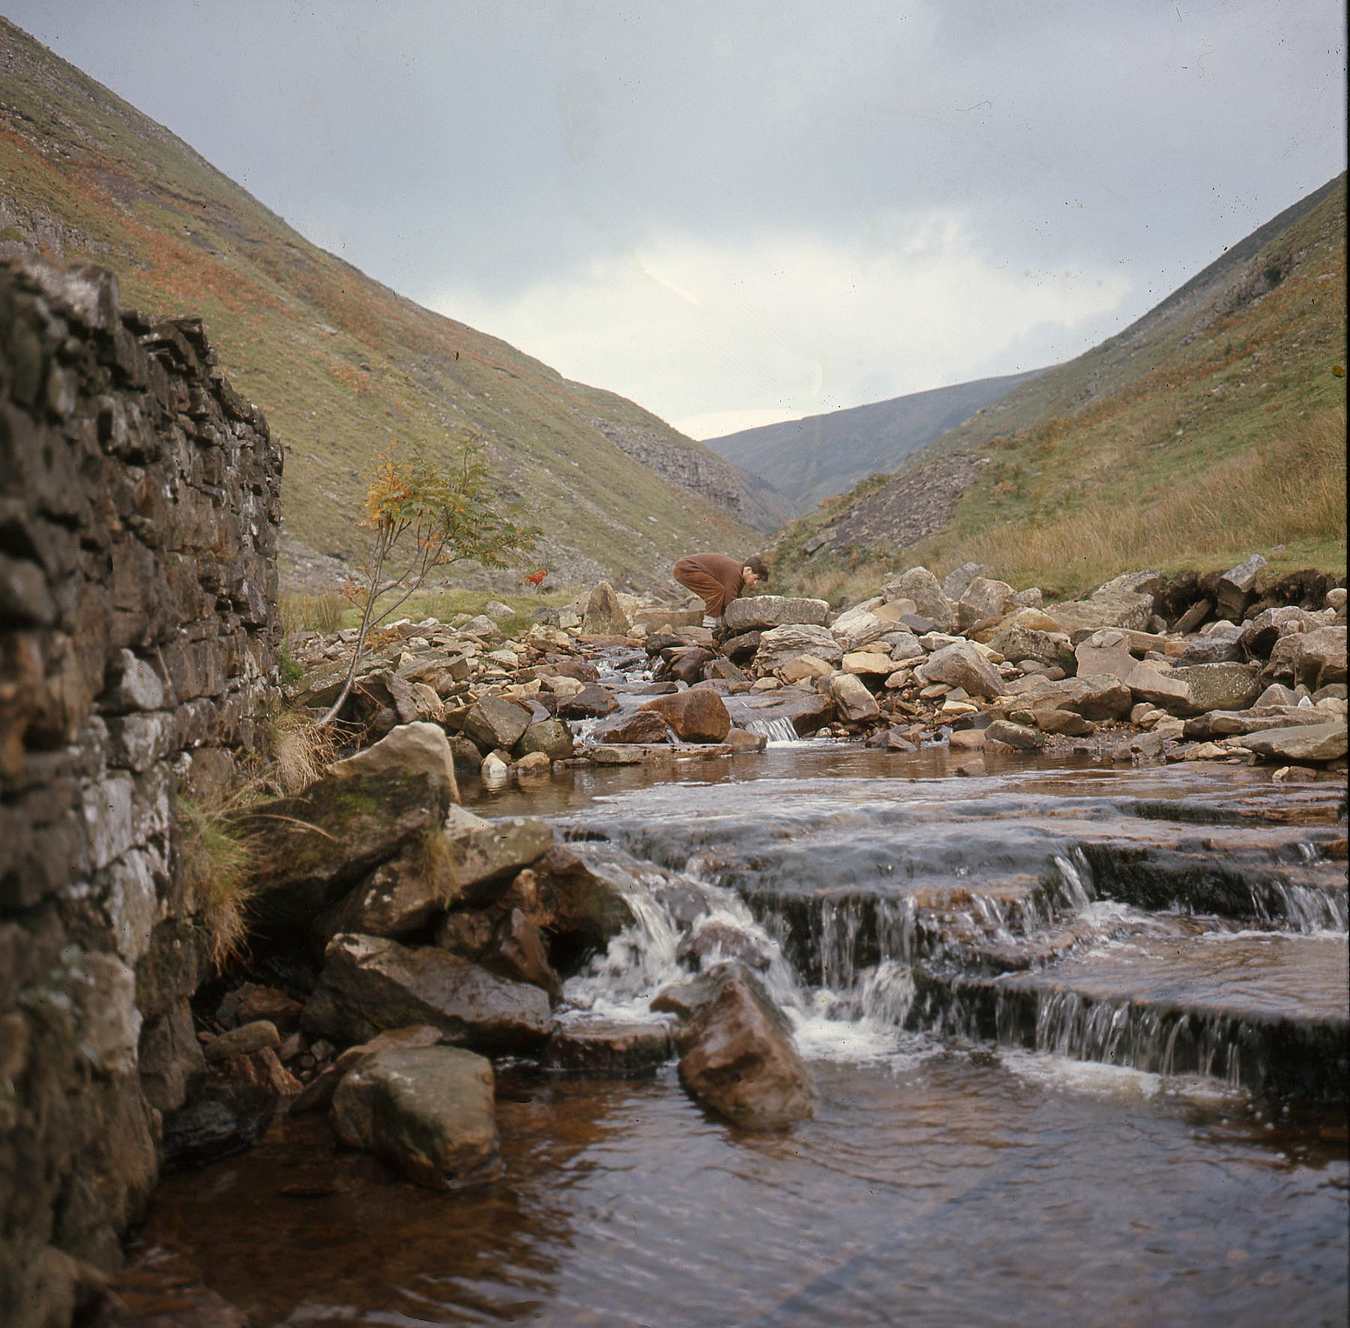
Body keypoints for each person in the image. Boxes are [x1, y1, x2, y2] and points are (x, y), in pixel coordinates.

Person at [672, 553, 769, 632]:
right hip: (686, 569)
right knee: (717, 591)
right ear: (748, 570)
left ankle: (716, 622)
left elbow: (735, 596)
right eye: (755, 578)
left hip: (685, 568)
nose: (755, 583)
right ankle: (709, 625)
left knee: (720, 591)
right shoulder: (734, 573)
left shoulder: (738, 573)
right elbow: (730, 602)